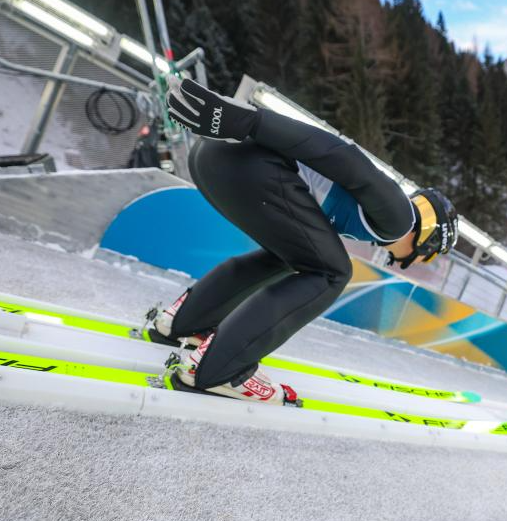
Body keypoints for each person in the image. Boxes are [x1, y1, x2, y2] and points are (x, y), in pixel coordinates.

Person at [152, 77, 458, 405]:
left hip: (216, 157)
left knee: (295, 256)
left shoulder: (383, 221)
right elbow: (345, 157)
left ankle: (185, 323)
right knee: (332, 272)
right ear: (427, 242)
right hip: (248, 164)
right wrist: (249, 121)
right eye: (429, 256)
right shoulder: (399, 219)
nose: (419, 261)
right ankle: (219, 369)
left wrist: (244, 124)